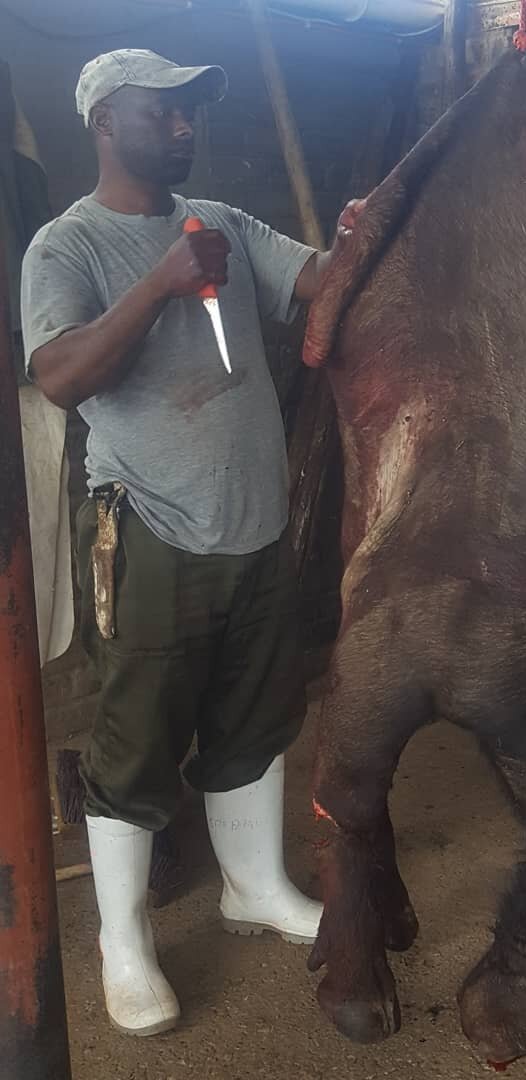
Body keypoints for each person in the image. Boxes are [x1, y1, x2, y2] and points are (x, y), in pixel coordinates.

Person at [20, 49, 361, 1036]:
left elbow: (321, 284)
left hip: (256, 525)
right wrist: (163, 283)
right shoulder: (65, 247)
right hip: (151, 529)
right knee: (138, 742)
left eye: (188, 115)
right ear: (103, 123)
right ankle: (122, 943)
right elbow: (60, 377)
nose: (183, 128)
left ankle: (252, 887)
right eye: (161, 113)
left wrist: (353, 239)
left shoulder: (223, 221)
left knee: (256, 719)